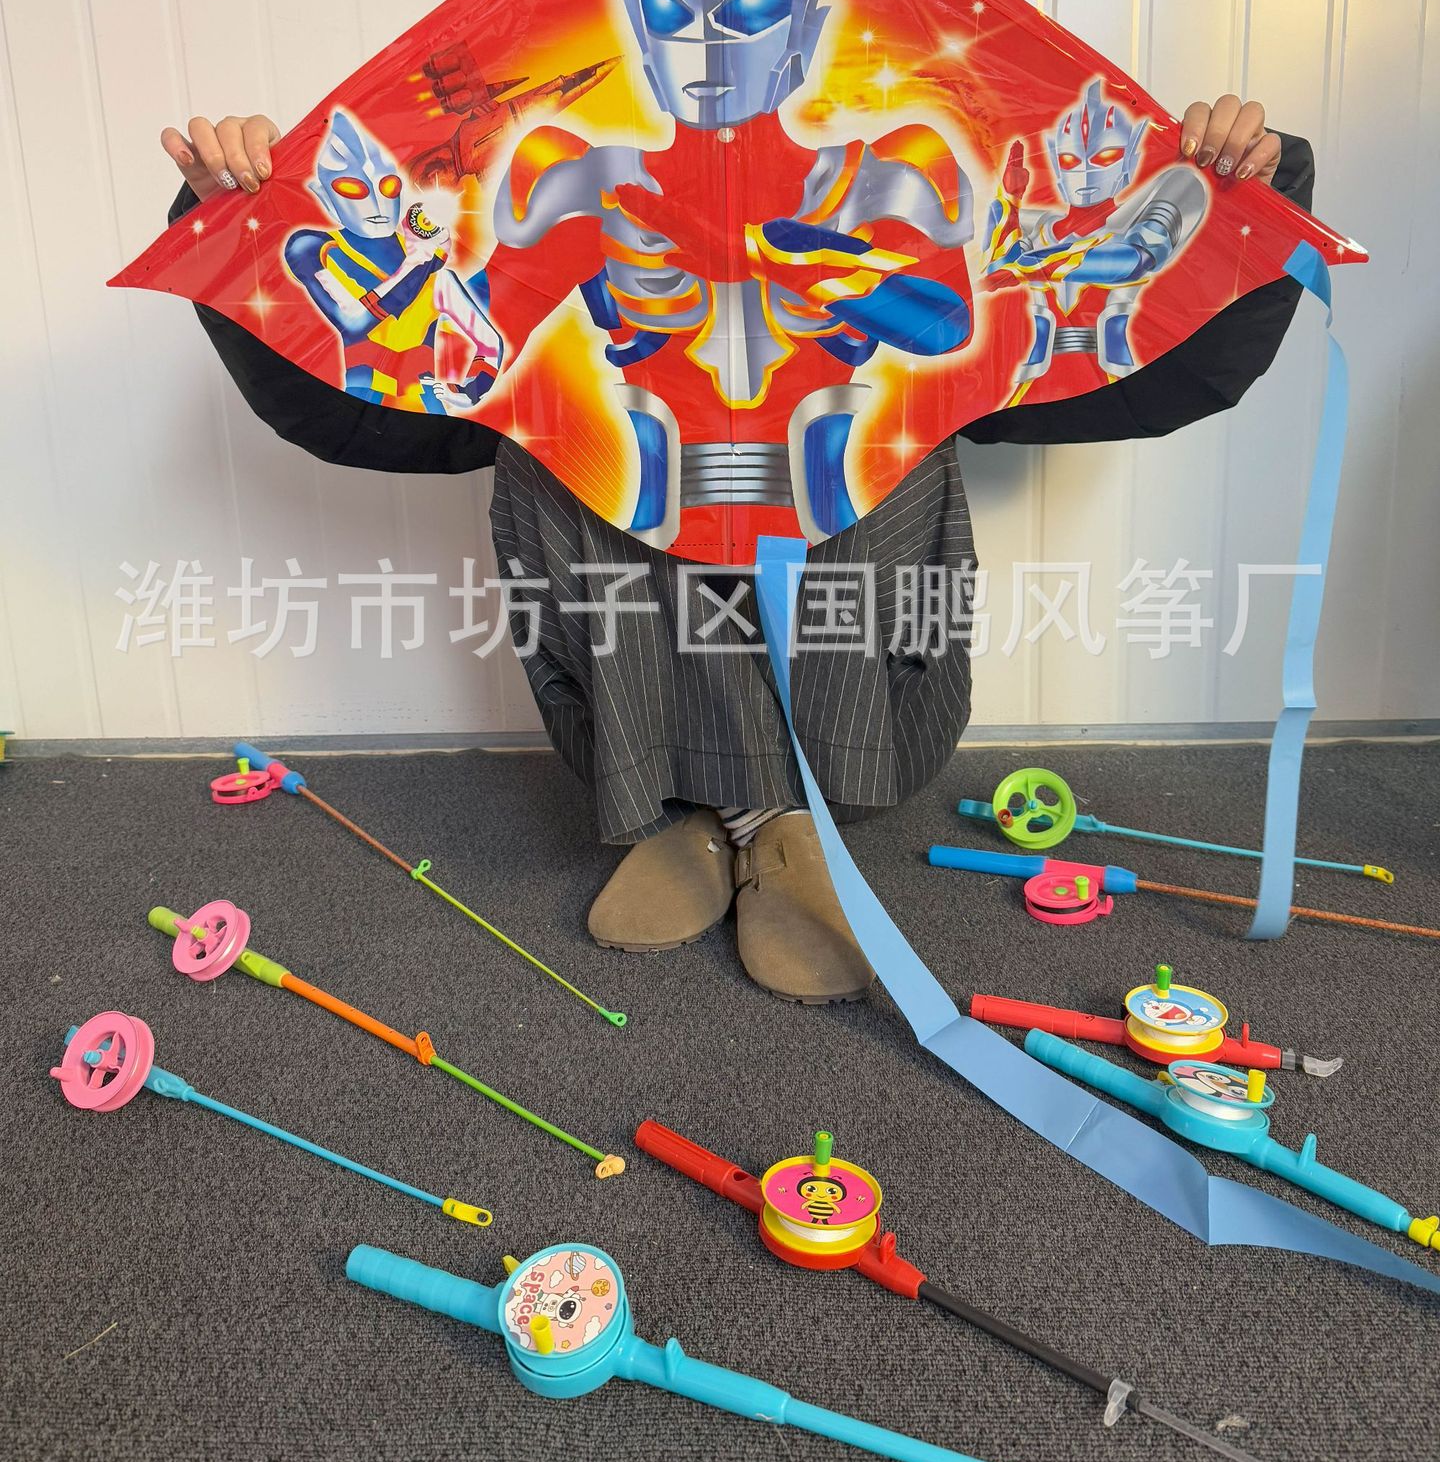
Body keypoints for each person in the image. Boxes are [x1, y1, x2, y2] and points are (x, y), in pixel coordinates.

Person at [161, 94, 1314, 1005]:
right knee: (560, 442)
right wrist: (240, 219)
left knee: (873, 431)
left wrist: (1246, 189)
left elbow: (1160, 370)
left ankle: (778, 815)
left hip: (861, 711)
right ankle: (707, 814)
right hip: (635, 725)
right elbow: (357, 402)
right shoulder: (566, 204)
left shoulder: (893, 190)